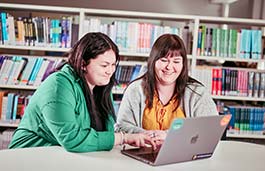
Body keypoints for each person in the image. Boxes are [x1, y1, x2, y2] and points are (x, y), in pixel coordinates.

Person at [9, 32, 156, 152]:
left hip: (67, 155)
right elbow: (72, 139)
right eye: (104, 65)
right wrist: (123, 138)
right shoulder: (58, 85)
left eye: (113, 65)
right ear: (83, 63)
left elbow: (107, 131)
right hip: (30, 156)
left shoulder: (101, 85)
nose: (110, 71)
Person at [115, 34, 218, 143]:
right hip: (143, 153)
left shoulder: (198, 93)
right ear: (153, 61)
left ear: (183, 65)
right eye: (164, 60)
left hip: (184, 156)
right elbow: (121, 127)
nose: (169, 67)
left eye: (176, 61)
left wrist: (168, 135)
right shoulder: (135, 90)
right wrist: (148, 136)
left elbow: (210, 129)